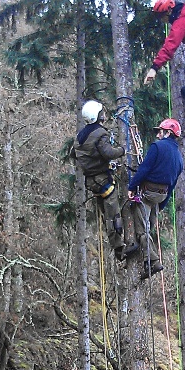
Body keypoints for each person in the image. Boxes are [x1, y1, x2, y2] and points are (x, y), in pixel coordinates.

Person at [73, 100, 130, 260]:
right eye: (101, 113)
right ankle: (120, 249)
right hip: (102, 180)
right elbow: (108, 153)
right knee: (113, 213)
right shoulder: (100, 133)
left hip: (92, 181)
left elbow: (85, 154)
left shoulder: (81, 136)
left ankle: (118, 245)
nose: (104, 115)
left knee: (107, 214)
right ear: (97, 116)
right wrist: (123, 150)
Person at [128, 118, 183, 280]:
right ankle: (147, 260)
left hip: (147, 193)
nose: (158, 135)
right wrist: (162, 205)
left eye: (160, 131)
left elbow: (144, 169)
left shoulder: (157, 147)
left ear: (168, 133)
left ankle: (153, 261)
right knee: (149, 227)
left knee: (141, 229)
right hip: (161, 195)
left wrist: (131, 187)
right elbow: (172, 184)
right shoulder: (179, 159)